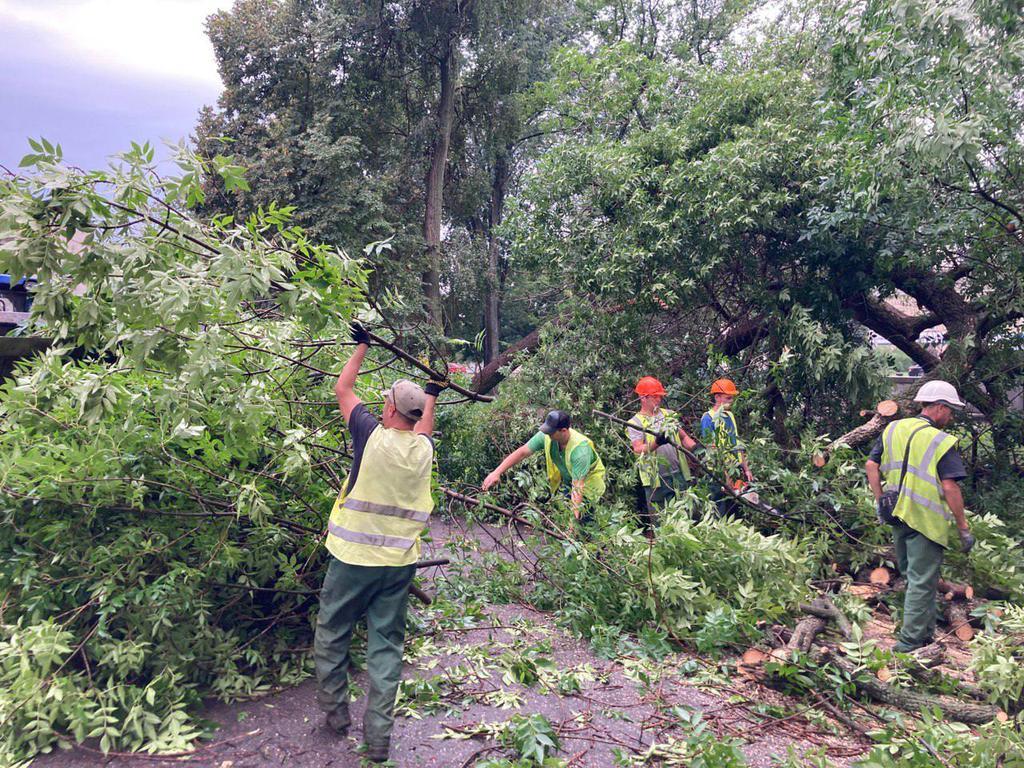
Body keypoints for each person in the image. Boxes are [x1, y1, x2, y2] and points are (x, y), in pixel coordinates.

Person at [314, 321, 444, 763]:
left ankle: (335, 717)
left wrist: (362, 347)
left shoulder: (370, 435)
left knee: (332, 633)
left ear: (388, 410)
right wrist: (433, 393)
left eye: (385, 401)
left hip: (353, 559)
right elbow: (424, 425)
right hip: (398, 565)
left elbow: (342, 389)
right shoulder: (423, 449)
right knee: (386, 645)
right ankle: (378, 741)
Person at [865, 380, 975, 653]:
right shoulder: (939, 440)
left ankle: (924, 633)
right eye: (950, 410)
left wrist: (881, 501)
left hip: (896, 513)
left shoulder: (893, 428)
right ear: (938, 407)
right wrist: (963, 527)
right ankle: (908, 645)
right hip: (925, 519)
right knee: (921, 581)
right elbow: (950, 486)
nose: (950, 417)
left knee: (915, 577)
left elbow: (871, 465)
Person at [482, 410, 605, 526]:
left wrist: (572, 526)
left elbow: (578, 488)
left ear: (563, 430)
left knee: (584, 526)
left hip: (589, 489)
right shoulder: (547, 435)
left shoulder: (580, 450)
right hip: (570, 483)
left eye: (551, 432)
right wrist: (497, 472)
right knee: (564, 516)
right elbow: (523, 452)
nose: (547, 434)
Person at [626, 376, 698, 531]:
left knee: (686, 517)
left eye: (660, 396)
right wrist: (656, 443)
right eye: (655, 396)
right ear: (643, 398)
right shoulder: (635, 423)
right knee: (661, 522)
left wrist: (697, 450)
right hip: (655, 481)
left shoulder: (668, 415)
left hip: (679, 474)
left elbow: (683, 437)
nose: (659, 399)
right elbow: (638, 449)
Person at [700, 378, 754, 513]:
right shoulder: (708, 418)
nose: (731, 401)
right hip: (717, 472)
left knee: (735, 511)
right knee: (719, 510)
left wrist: (746, 468)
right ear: (717, 397)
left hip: (734, 469)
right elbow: (711, 449)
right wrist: (725, 476)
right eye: (728, 398)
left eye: (732, 398)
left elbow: (737, 443)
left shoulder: (730, 415)